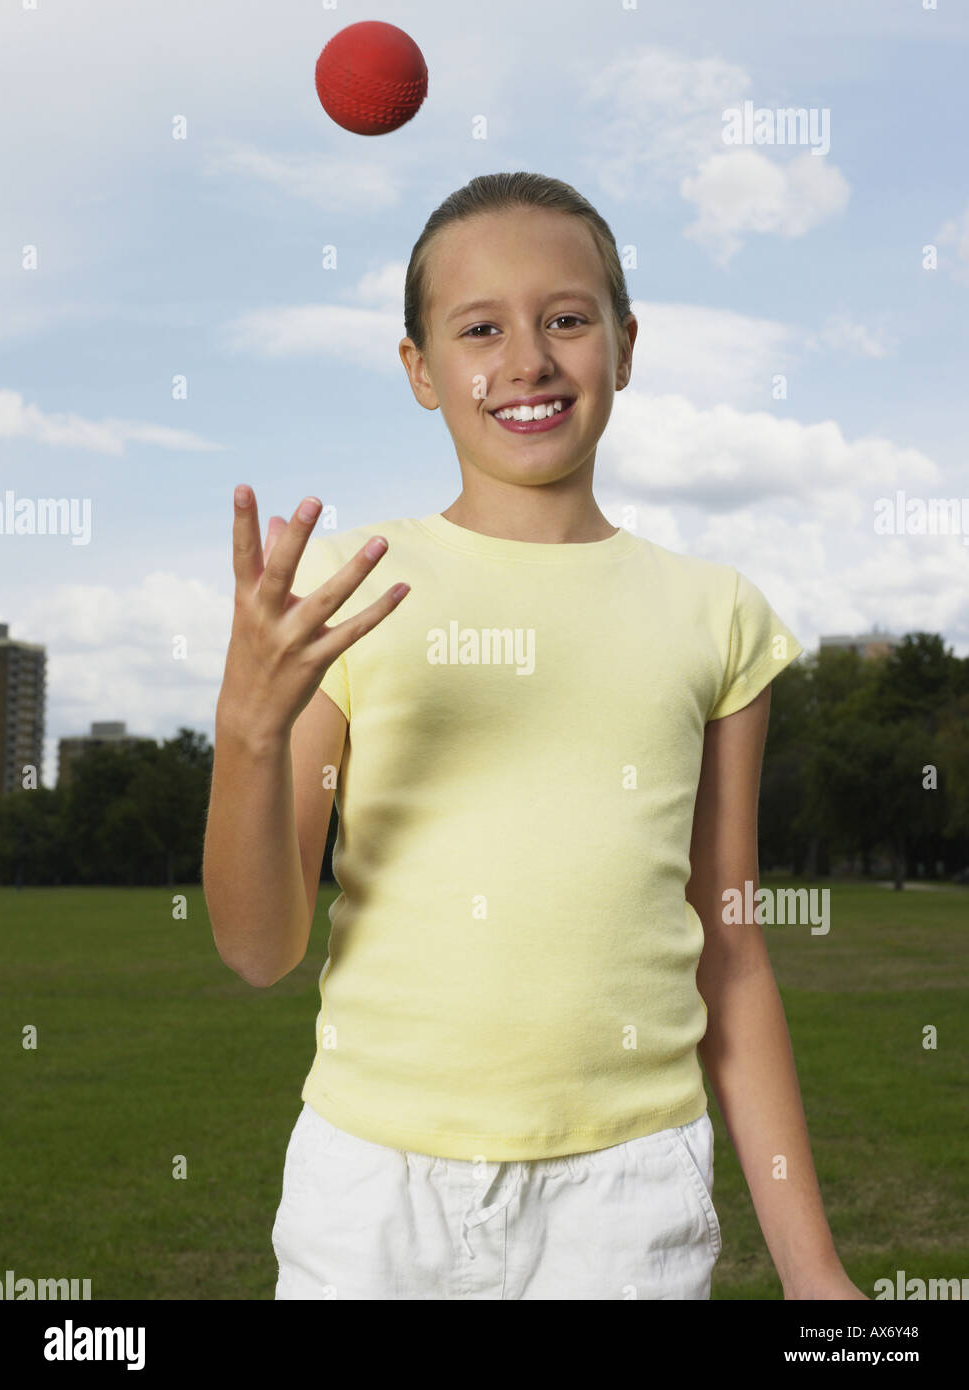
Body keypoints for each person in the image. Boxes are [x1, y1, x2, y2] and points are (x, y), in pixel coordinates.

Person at [203, 171, 867, 1301]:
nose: (526, 361)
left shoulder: (716, 614)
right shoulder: (342, 591)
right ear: (420, 369)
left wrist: (813, 1272)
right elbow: (260, 950)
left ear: (624, 343)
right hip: (372, 1192)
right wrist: (249, 734)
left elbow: (733, 951)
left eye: (565, 318)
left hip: (629, 1197)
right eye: (479, 329)